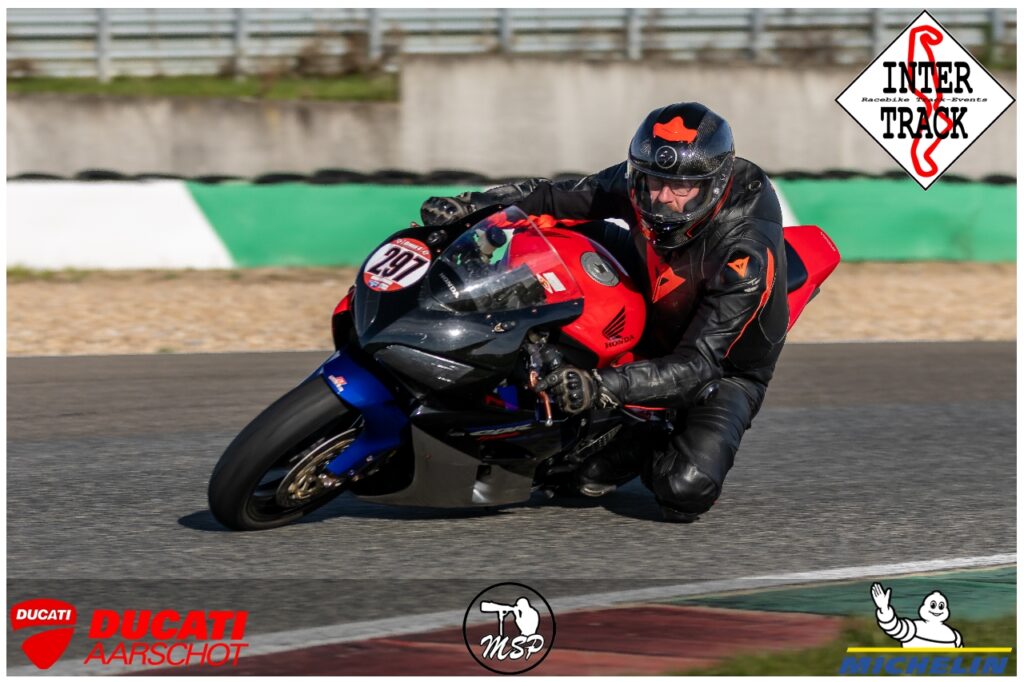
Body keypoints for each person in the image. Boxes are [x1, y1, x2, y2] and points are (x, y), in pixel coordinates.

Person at [420, 102, 788, 523]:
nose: (661, 198)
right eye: (654, 181)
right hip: (650, 279)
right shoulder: (642, 181)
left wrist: (598, 387)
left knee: (681, 488)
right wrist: (473, 206)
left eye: (681, 188)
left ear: (714, 185)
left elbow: (697, 366)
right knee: (548, 228)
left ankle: (645, 432)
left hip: (722, 368)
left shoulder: (745, 256)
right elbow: (555, 195)